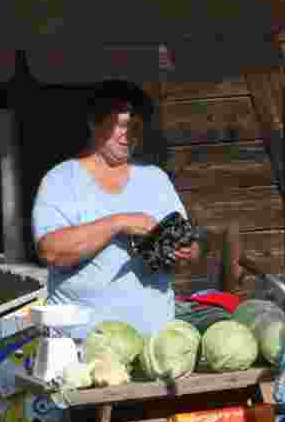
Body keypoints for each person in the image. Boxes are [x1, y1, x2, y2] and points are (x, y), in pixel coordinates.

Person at [31, 79, 201, 340]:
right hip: (83, 344)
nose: (129, 135)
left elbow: (191, 249)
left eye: (136, 128)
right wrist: (118, 223)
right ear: (94, 123)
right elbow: (51, 251)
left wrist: (186, 252)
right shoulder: (61, 180)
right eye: (121, 126)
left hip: (154, 342)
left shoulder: (154, 179)